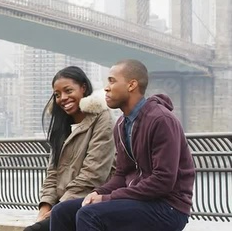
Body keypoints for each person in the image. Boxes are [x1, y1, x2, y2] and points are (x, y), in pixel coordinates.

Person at [49, 59, 195, 231]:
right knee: (62, 211)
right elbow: (121, 176)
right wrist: (99, 193)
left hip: (169, 207)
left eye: (112, 81)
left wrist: (109, 198)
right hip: (138, 201)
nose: (106, 88)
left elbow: (163, 181)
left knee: (90, 214)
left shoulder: (161, 120)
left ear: (131, 85)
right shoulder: (121, 125)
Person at [24, 66, 116, 231]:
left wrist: (58, 209)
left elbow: (94, 174)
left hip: (89, 202)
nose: (62, 98)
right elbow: (52, 173)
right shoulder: (62, 126)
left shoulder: (102, 118)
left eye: (68, 91)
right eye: (57, 95)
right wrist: (45, 207)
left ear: (83, 88)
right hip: (62, 204)